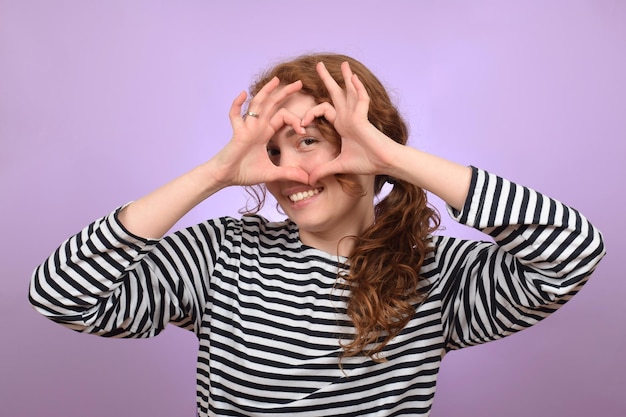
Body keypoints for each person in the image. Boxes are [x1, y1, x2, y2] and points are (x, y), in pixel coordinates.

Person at [29, 53, 605, 416]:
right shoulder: (221, 254)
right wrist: (213, 174)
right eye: (271, 149)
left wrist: (393, 157)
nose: (287, 171)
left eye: (309, 140)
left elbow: (573, 251)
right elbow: (61, 296)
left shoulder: (439, 272)